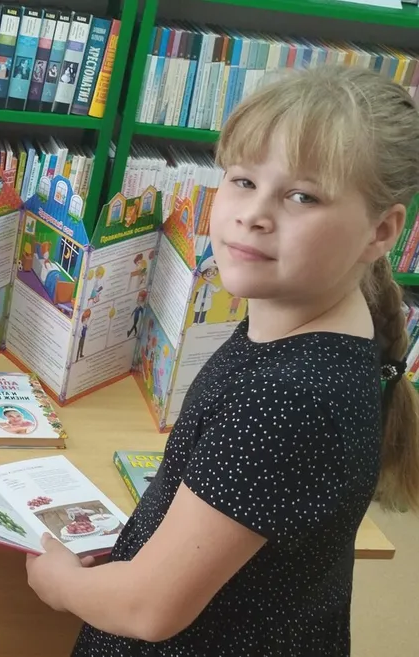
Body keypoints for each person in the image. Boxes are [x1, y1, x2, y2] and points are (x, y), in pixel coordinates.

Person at [26, 65, 419, 656]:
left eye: (302, 196)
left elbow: (147, 608)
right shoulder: (318, 323)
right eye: (243, 180)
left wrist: (59, 584)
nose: (253, 214)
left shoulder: (288, 398)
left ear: (380, 231)